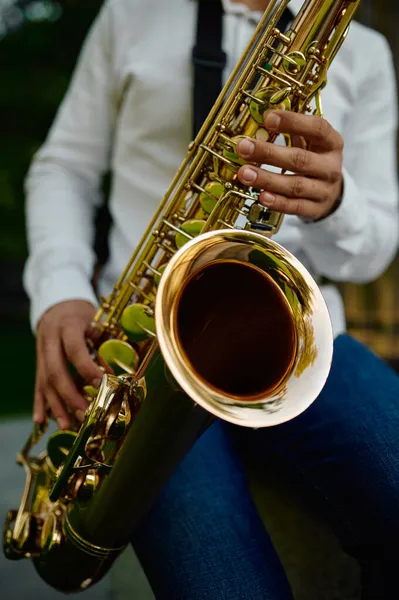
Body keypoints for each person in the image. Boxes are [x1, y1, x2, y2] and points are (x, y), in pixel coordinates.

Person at [23, 0, 399, 598]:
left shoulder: (367, 52)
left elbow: (376, 246)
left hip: (300, 339)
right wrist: (60, 292)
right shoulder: (131, 14)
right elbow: (64, 167)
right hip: (148, 350)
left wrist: (336, 201)